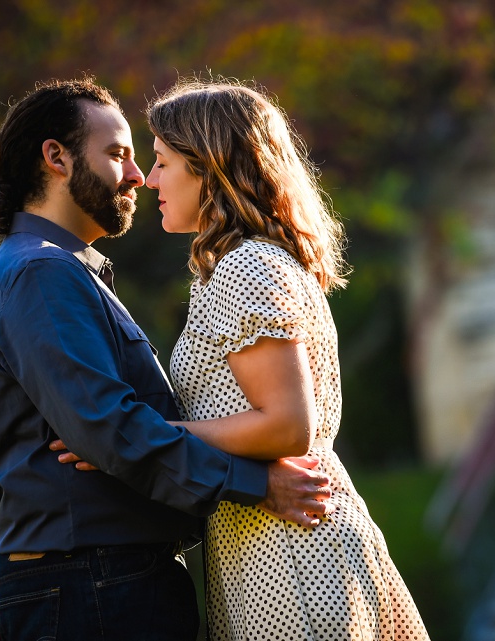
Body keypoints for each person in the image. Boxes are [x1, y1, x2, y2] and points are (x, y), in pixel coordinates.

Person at [0, 77, 333, 641]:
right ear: (56, 158)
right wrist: (257, 483)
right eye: (118, 155)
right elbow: (109, 430)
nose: (139, 176)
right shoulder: (41, 273)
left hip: (101, 578)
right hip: (90, 580)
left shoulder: (64, 272)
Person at [141, 78, 430, 640]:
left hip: (292, 556)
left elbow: (286, 425)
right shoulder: (243, 264)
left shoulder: (246, 266)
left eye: (162, 162)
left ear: (208, 166)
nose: (150, 179)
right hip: (266, 545)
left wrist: (150, 434)